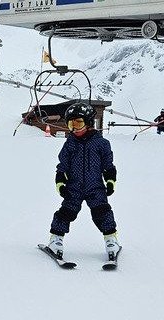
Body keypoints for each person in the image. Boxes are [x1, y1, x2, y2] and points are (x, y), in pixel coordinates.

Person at [46, 102, 121, 265]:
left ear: (88, 122)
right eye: (70, 124)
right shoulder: (70, 144)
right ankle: (55, 239)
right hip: (74, 187)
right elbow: (62, 166)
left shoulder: (102, 144)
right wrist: (60, 182)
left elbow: (108, 165)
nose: (74, 128)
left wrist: (110, 181)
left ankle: (111, 240)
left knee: (102, 213)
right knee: (66, 212)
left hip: (95, 187)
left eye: (78, 123)